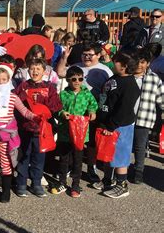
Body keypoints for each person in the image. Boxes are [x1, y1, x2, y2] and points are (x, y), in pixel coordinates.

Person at [57, 42, 113, 182]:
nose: (86, 57)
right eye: (84, 54)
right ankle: (69, 167)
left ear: (99, 55)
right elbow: (60, 72)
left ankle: (91, 168)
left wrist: (97, 110)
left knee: (91, 142)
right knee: (71, 141)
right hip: (73, 113)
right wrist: (65, 57)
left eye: (90, 55)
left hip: (92, 112)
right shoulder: (76, 67)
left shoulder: (105, 70)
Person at [0, 62, 37, 203]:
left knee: (7, 164)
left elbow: (24, 111)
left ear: (8, 80)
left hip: (8, 138)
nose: (0, 82)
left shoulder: (13, 97)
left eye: (3, 79)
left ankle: (6, 194)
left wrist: (35, 117)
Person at [94, 52, 140, 198]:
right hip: (107, 120)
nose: (114, 63)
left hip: (120, 125)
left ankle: (122, 185)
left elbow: (124, 109)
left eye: (117, 62)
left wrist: (111, 126)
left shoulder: (130, 85)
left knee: (120, 155)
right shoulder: (116, 77)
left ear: (125, 66)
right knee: (108, 153)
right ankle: (108, 179)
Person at [14, 58, 62, 197]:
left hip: (43, 130)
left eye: (38, 69)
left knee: (39, 158)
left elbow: (56, 105)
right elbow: (16, 104)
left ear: (44, 71)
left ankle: (36, 183)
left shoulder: (49, 87)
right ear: (28, 70)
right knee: (24, 157)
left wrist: (44, 107)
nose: (35, 71)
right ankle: (21, 183)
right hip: (26, 128)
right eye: (32, 68)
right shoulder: (23, 86)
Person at [52, 66, 97, 198]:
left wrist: (92, 112)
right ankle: (61, 181)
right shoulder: (63, 94)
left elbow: (93, 104)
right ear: (68, 80)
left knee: (78, 160)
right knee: (64, 158)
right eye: (74, 79)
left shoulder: (87, 93)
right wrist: (61, 113)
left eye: (80, 79)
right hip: (65, 132)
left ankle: (75, 184)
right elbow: (56, 109)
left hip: (81, 133)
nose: (77, 81)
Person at [131, 48, 163, 184]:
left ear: (148, 63)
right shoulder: (127, 76)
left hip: (144, 117)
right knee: (124, 145)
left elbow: (162, 97)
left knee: (140, 145)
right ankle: (120, 169)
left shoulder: (154, 79)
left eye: (143, 62)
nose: (139, 65)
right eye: (137, 61)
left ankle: (139, 171)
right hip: (126, 118)